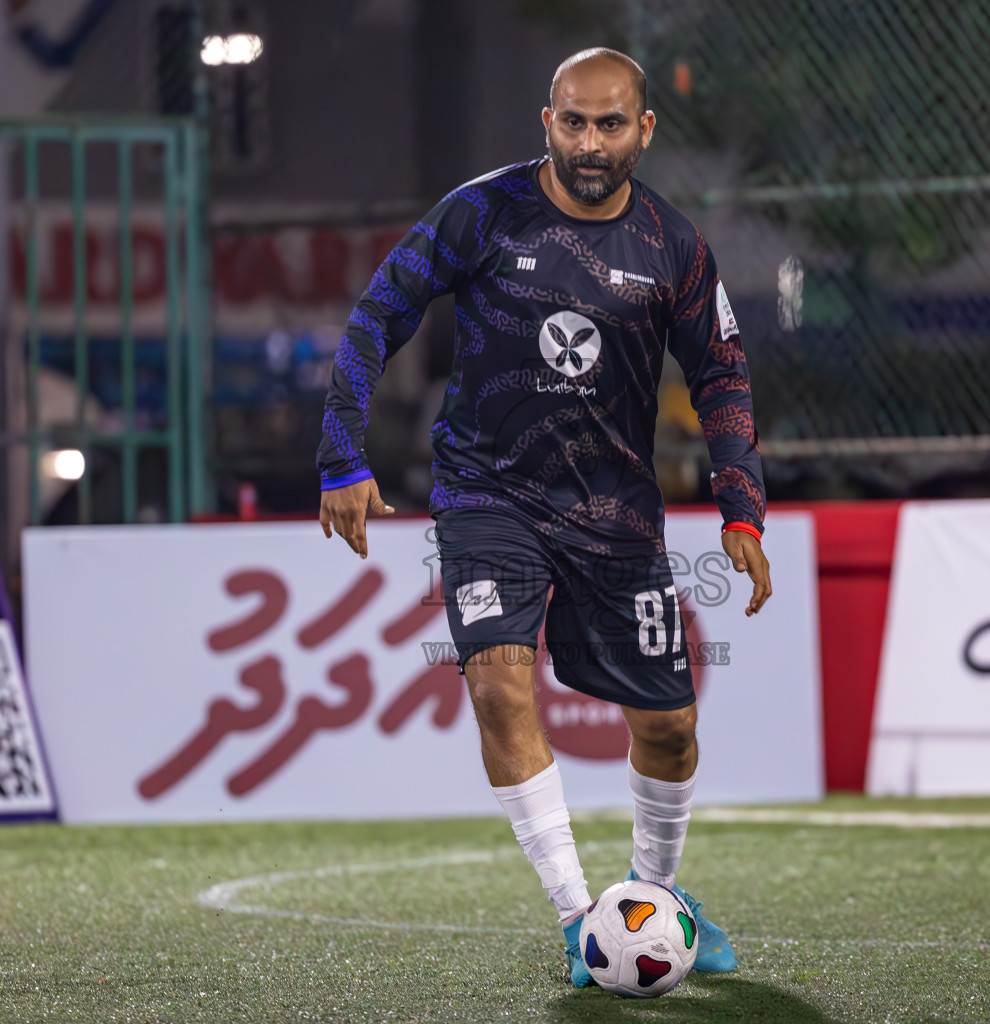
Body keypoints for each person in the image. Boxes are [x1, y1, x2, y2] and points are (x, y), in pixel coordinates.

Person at [315, 47, 771, 987]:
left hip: (614, 511)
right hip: (489, 494)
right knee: (498, 686)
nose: (589, 142)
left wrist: (742, 508)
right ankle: (580, 922)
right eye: (573, 122)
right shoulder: (483, 211)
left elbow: (722, 373)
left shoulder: (674, 247)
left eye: (610, 124)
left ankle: (654, 903)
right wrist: (342, 453)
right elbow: (377, 314)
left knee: (673, 726)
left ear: (644, 128)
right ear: (546, 120)